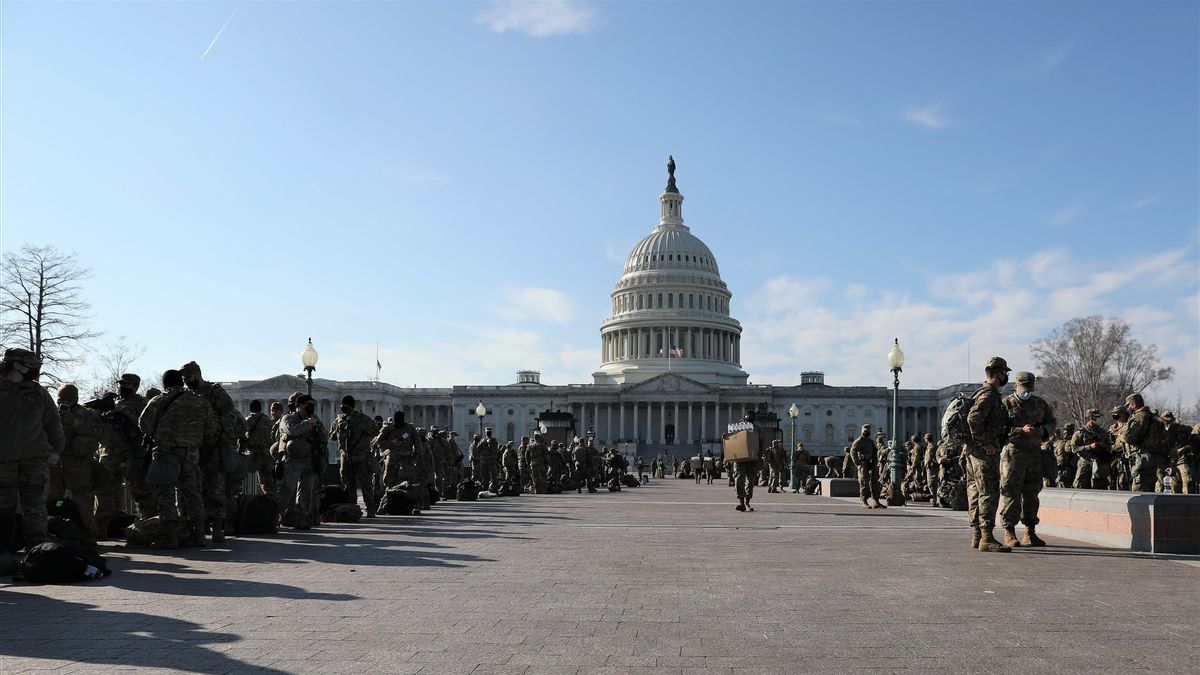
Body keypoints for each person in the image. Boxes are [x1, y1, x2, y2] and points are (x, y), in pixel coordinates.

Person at [138, 369, 217, 548]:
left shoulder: (159, 401)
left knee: (165, 495)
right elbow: (212, 429)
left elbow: (144, 424)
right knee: (193, 495)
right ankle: (199, 535)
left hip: (166, 454)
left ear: (165, 384)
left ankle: (170, 536)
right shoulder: (200, 401)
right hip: (191, 454)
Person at [0, 349, 64, 549]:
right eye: (32, 366)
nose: (35, 370)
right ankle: (3, 550)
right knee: (3, 508)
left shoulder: (38, 392)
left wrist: (55, 450)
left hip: (34, 459)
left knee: (35, 507)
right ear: (16, 365)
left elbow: (53, 423)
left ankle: (37, 549)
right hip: (3, 460)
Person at [180, 361, 236, 542]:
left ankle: (218, 527)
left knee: (216, 489)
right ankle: (198, 526)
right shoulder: (187, 394)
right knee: (194, 490)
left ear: (197, 374)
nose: (186, 380)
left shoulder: (215, 392)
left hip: (213, 449)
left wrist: (220, 438)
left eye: (188, 377)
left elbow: (228, 415)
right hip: (193, 449)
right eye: (183, 378)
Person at [998, 371, 1055, 548]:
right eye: (1023, 388)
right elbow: (998, 430)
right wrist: (1020, 431)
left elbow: (1051, 423)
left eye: (1029, 388)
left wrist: (1042, 431)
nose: (1026, 392)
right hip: (1013, 455)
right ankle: (1009, 531)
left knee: (1032, 493)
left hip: (1034, 455)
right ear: (1015, 386)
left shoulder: (1039, 403)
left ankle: (1030, 532)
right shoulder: (1006, 404)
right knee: (1011, 493)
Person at [95, 373, 153, 532]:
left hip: (132, 454)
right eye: (121, 384)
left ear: (135, 386)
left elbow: (146, 426)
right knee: (106, 493)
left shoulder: (142, 404)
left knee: (140, 493)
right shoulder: (112, 403)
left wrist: (125, 411)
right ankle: (101, 530)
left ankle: (148, 528)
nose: (122, 388)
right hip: (109, 454)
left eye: (126, 385)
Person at [965, 357, 1012, 552]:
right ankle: (987, 537)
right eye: (1005, 373)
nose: (1006, 376)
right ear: (997, 372)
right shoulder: (989, 394)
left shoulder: (980, 392)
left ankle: (977, 536)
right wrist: (985, 444)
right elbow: (974, 418)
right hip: (983, 453)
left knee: (975, 492)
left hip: (974, 452)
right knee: (988, 492)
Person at [53, 384, 101, 544]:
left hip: (79, 465)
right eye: (61, 400)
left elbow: (97, 432)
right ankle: (55, 530)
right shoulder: (51, 413)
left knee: (83, 501)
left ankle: (89, 534)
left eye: (68, 400)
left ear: (75, 400)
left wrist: (74, 423)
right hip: (55, 465)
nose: (64, 403)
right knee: (54, 501)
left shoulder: (88, 414)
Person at [278, 394, 325, 529]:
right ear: (299, 406)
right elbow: (292, 430)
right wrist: (307, 424)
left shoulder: (315, 419)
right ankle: (275, 517)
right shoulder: (289, 418)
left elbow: (324, 436)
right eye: (307, 405)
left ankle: (302, 519)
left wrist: (316, 425)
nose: (311, 407)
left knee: (306, 492)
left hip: (309, 460)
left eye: (312, 405)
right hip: (292, 460)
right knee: (286, 490)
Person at [329, 395, 377, 517]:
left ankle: (370, 508)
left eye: (345, 405)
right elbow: (332, 436)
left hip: (359, 456)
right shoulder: (340, 420)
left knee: (364, 483)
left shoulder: (362, 419)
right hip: (347, 456)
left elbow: (374, 431)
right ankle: (352, 508)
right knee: (349, 483)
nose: (342, 408)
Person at [1122, 394, 1159, 492]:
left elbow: (1129, 437)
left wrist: (1122, 433)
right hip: (1146, 457)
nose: (1128, 408)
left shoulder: (1140, 417)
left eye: (1129, 405)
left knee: (1139, 492)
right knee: (1147, 490)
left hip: (1141, 459)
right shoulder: (1150, 416)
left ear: (1133, 405)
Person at [732, 412, 765, 512]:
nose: (749, 418)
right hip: (740, 458)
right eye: (748, 416)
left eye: (751, 416)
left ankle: (747, 502)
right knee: (739, 478)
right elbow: (733, 440)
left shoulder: (758, 428)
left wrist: (759, 455)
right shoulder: (738, 427)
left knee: (750, 480)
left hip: (753, 457)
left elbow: (762, 442)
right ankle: (741, 502)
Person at [243, 400, 276, 497]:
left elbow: (240, 434)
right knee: (268, 481)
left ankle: (250, 500)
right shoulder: (268, 420)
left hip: (254, 455)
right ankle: (271, 502)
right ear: (261, 408)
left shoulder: (249, 420)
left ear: (250, 409)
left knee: (249, 479)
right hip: (268, 455)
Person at [1071, 410, 1112, 490]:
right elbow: (1074, 449)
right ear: (1090, 418)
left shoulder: (1103, 432)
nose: (1098, 419)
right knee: (1080, 486)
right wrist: (1089, 447)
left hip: (1100, 462)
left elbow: (1109, 448)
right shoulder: (1080, 433)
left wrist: (1104, 446)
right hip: (1085, 463)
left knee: (1101, 487)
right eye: (1096, 417)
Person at [850, 425, 885, 509]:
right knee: (864, 483)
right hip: (863, 464)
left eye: (867, 430)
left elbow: (874, 451)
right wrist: (858, 464)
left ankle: (876, 500)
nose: (866, 432)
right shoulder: (858, 441)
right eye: (864, 430)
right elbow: (853, 452)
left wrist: (875, 463)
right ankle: (864, 501)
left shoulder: (871, 441)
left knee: (875, 482)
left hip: (871, 463)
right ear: (862, 431)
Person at [1161, 412, 1195, 494]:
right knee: (1173, 488)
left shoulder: (1185, 429)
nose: (1167, 423)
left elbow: (1194, 443)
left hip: (1183, 461)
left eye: (1168, 421)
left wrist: (1185, 448)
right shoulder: (1161, 432)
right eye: (1165, 421)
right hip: (1170, 463)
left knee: (1187, 487)